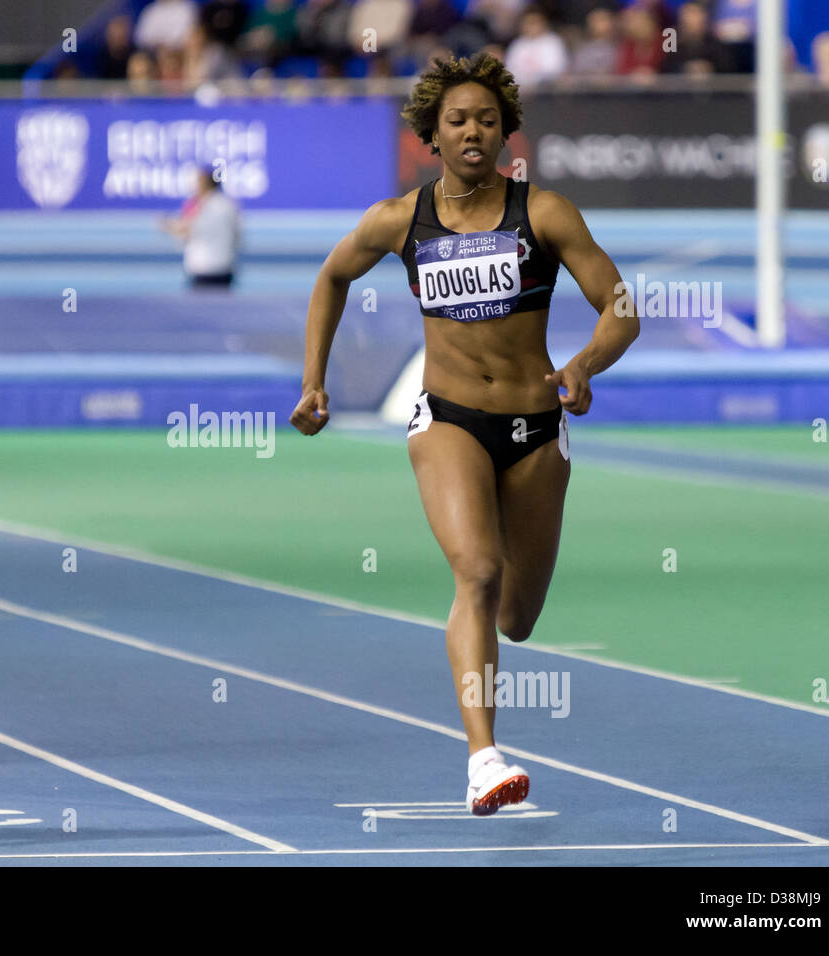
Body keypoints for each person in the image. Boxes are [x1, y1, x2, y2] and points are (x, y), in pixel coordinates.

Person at [289, 53, 638, 814]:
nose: (473, 131)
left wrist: (583, 364)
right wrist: (313, 380)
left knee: (517, 616)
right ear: (431, 138)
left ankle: (494, 690)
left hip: (537, 427)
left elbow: (622, 307)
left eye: (486, 119)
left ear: (506, 132)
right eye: (458, 121)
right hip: (446, 418)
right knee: (475, 573)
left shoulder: (543, 213)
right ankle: (483, 758)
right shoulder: (398, 220)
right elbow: (332, 277)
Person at [157, 168, 241, 288]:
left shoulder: (205, 206)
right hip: (224, 267)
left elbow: (187, 229)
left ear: (204, 184)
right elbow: (237, 235)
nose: (194, 187)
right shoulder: (228, 204)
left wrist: (168, 226)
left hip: (205, 269)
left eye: (197, 182)